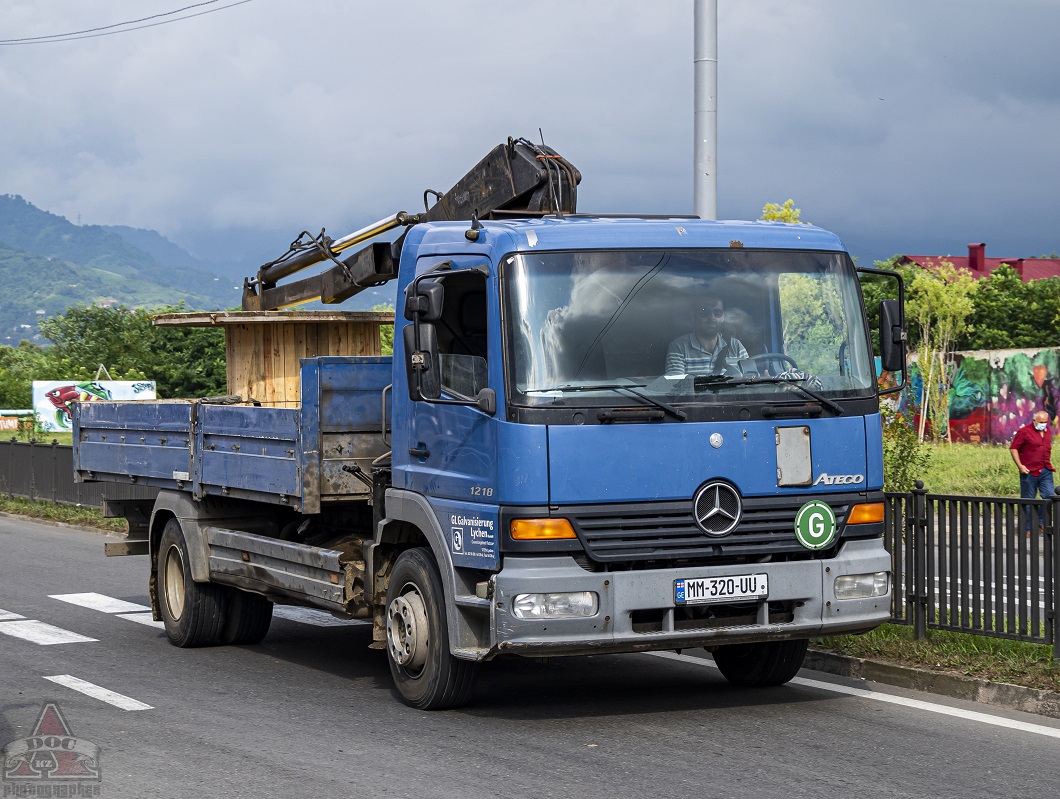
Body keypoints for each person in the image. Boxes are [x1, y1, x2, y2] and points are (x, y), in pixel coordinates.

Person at [665, 296, 749, 377]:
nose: (711, 318)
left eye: (717, 313)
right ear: (693, 315)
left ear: (723, 317)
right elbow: (675, 386)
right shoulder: (678, 347)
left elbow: (750, 379)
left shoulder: (736, 345)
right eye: (704, 312)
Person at [1010, 410, 1055, 535]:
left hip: (1045, 469)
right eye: (1041, 422)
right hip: (1029, 470)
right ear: (1034, 421)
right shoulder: (1024, 432)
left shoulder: (1047, 432)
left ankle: (1042, 522)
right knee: (1028, 500)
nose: (1043, 424)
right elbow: (1014, 449)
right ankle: (1027, 528)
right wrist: (1020, 466)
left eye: (1046, 422)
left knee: (1049, 496)